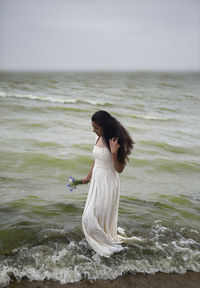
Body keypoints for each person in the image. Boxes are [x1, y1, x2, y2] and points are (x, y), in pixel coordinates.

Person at [82, 110, 141, 257]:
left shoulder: (115, 141)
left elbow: (119, 169)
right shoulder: (98, 137)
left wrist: (114, 153)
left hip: (108, 181)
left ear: (105, 126)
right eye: (93, 127)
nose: (93, 130)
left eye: (96, 127)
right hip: (96, 180)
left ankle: (106, 243)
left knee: (89, 217)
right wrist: (88, 177)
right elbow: (96, 159)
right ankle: (100, 240)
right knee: (95, 215)